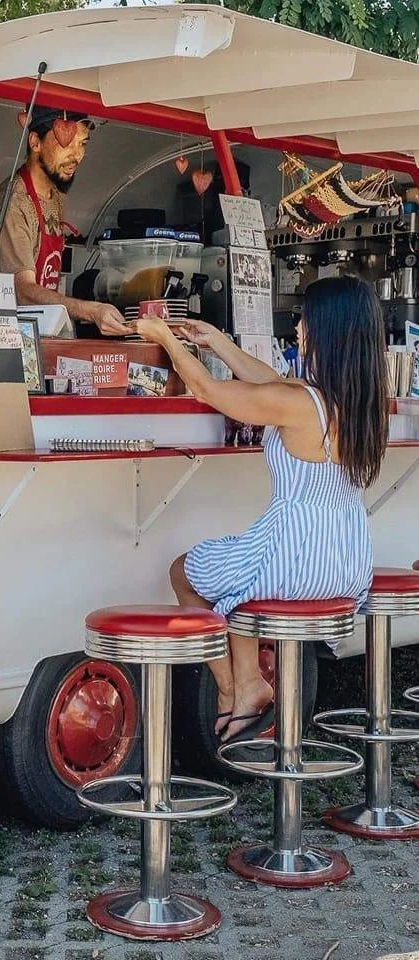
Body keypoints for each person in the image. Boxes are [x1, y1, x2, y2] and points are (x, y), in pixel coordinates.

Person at [137, 276, 388, 742]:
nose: (297, 331)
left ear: (325, 331)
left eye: (303, 321)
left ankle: (239, 687)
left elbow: (208, 391)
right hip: (347, 562)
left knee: (184, 571)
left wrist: (165, 338)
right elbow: (270, 382)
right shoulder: (356, 404)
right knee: (232, 566)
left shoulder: (298, 403)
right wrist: (219, 341)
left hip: (292, 558)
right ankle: (244, 687)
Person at [0, 105, 130, 337]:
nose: (76, 156)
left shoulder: (56, 196)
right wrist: (90, 310)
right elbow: (22, 290)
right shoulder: (14, 202)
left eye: (83, 144)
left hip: (42, 333)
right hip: (8, 338)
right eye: (66, 143)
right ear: (35, 142)